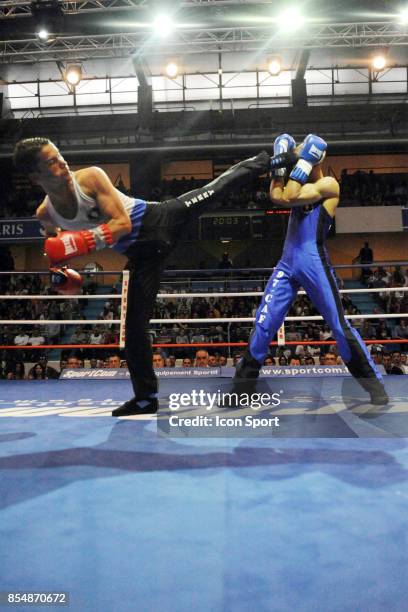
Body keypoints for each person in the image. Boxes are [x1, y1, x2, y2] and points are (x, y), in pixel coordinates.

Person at [13, 137, 294, 416]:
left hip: (160, 221)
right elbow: (56, 253)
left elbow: (121, 223)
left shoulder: (90, 178)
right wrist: (60, 275)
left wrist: (81, 242)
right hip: (142, 257)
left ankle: (272, 161)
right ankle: (145, 398)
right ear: (35, 176)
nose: (62, 161)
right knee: (134, 328)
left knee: (215, 189)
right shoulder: (45, 214)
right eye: (51, 161)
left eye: (59, 154)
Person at [231, 133, 388, 407]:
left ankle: (375, 387)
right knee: (264, 323)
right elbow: (276, 196)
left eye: (303, 152)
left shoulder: (328, 184)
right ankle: (241, 388)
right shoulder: (300, 181)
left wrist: (299, 163)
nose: (298, 155)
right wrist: (278, 169)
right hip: (287, 262)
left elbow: (289, 195)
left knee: (339, 326)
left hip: (313, 261)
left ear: (316, 156)